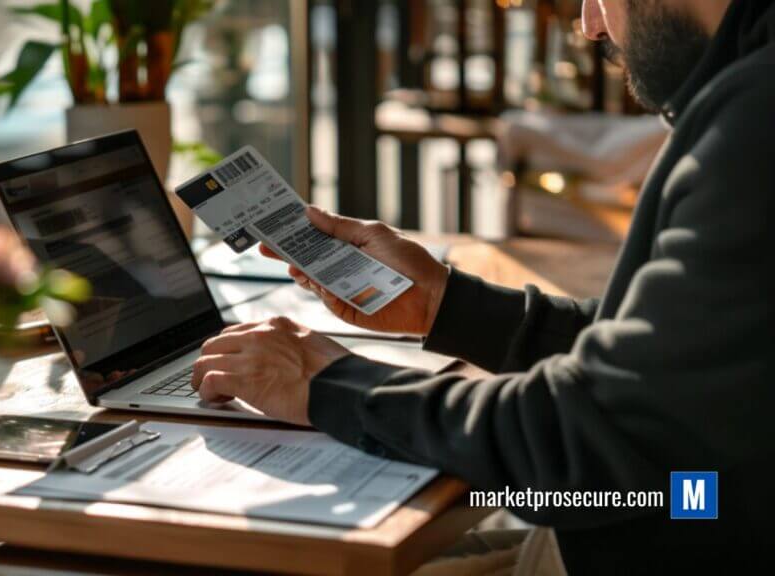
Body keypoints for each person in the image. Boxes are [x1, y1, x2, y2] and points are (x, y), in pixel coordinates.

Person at [191, 0, 774, 573]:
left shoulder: (754, 119)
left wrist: (327, 384)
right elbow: (670, 366)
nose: (592, 24)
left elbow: (594, 430)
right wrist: (447, 304)